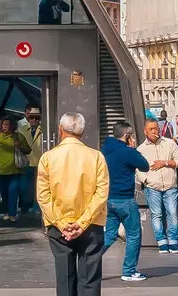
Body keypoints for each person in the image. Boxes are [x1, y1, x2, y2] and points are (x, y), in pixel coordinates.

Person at [36, 112, 107, 296]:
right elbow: (101, 194)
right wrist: (82, 223)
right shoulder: (97, 156)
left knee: (65, 276)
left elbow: (43, 196)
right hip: (92, 224)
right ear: (82, 131)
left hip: (59, 225)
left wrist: (61, 223)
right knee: (90, 278)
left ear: (60, 130)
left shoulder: (48, 158)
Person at [100, 121, 150, 282]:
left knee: (110, 234)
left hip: (109, 198)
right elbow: (144, 166)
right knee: (134, 234)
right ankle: (129, 271)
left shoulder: (105, 150)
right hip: (125, 199)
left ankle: (89, 262)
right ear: (127, 136)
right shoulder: (127, 152)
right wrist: (133, 149)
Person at [136, 117, 178, 253]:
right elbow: (138, 169)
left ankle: (173, 241)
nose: (154, 131)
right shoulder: (141, 149)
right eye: (151, 129)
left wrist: (165, 163)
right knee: (156, 214)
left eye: (156, 128)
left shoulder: (170, 143)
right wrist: (146, 180)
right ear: (145, 131)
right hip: (152, 187)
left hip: (170, 186)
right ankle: (161, 242)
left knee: (172, 213)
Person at [0, 116, 31, 222]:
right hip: (2, 170)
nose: (5, 127)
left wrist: (20, 146)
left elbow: (28, 150)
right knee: (3, 193)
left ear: (13, 126)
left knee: (13, 192)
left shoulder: (19, 137)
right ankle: (5, 212)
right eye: (4, 124)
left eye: (8, 124)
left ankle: (12, 214)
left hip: (15, 170)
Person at [17, 106, 44, 217]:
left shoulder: (44, 130)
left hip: (40, 162)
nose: (33, 120)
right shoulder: (22, 129)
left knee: (39, 187)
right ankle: (25, 208)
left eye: (36, 118)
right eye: (31, 117)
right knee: (24, 187)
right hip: (26, 162)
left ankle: (37, 208)